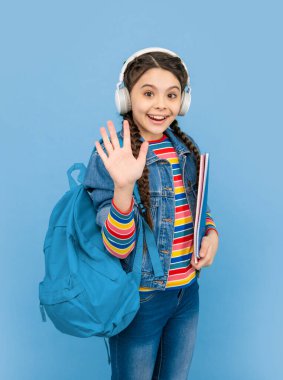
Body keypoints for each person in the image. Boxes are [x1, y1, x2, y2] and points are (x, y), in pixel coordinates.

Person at [83, 47, 219, 380]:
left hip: (186, 294)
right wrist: (122, 188)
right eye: (148, 93)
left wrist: (211, 233)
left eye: (171, 95)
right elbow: (117, 247)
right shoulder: (111, 156)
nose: (161, 104)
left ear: (182, 102)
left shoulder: (184, 149)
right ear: (126, 98)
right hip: (140, 299)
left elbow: (198, 206)